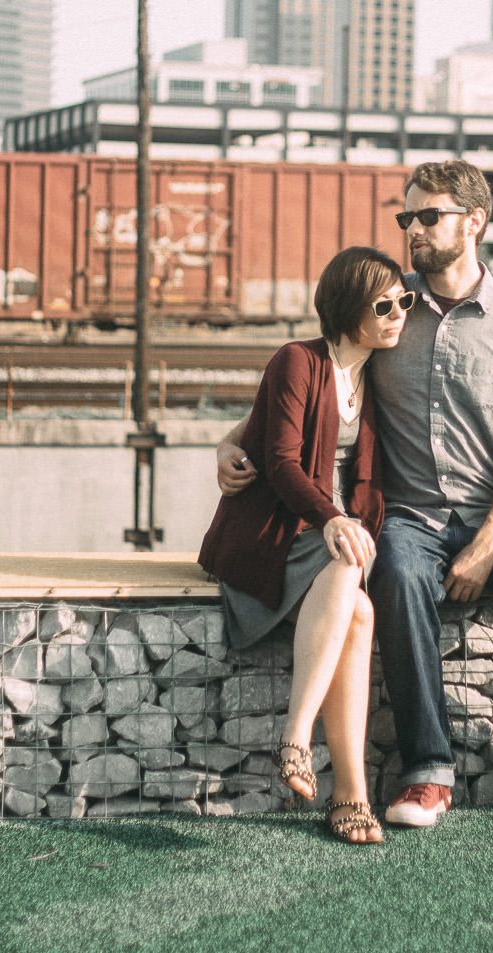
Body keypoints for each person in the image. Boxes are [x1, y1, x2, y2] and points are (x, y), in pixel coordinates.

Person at [218, 160, 493, 827]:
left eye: (428, 216)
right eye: (407, 218)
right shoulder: (388, 307)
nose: (413, 230)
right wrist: (232, 441)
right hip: (408, 516)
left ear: (474, 221)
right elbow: (315, 369)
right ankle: (426, 771)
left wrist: (487, 545)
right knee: (395, 575)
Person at [197, 244, 411, 844]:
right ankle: (299, 738)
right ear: (349, 310)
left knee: (361, 611)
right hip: (272, 541)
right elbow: (282, 460)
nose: (400, 314)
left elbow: (253, 422)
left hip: (326, 542)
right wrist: (332, 520)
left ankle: (350, 793)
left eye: (405, 301)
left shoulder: (377, 375)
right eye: (386, 304)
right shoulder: (298, 360)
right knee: (350, 564)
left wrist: (227, 438)